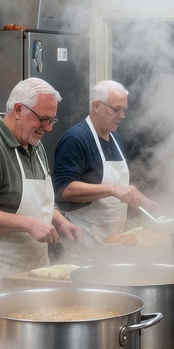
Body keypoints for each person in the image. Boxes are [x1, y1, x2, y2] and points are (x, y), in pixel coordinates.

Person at [0, 77, 82, 303]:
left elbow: (40, 202)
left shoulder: (35, 146)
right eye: (43, 119)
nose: (48, 128)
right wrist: (30, 224)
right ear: (18, 110)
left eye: (52, 120)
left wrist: (59, 221)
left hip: (31, 271)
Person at [52, 80, 157, 245]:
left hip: (113, 241)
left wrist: (141, 198)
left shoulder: (115, 137)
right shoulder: (76, 139)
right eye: (117, 109)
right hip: (84, 240)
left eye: (124, 110)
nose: (122, 116)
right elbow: (63, 189)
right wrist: (113, 190)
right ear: (96, 106)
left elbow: (118, 184)